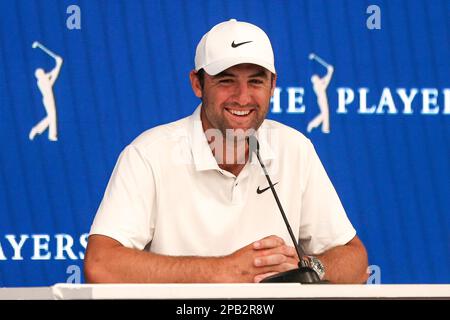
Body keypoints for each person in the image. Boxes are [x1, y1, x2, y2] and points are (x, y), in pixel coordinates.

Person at [84, 19, 368, 284]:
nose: (243, 97)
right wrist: (227, 269)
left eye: (256, 81)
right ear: (198, 84)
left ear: (273, 86)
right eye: (226, 80)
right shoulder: (148, 153)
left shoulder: (295, 148)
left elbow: (355, 260)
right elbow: (101, 263)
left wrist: (307, 268)